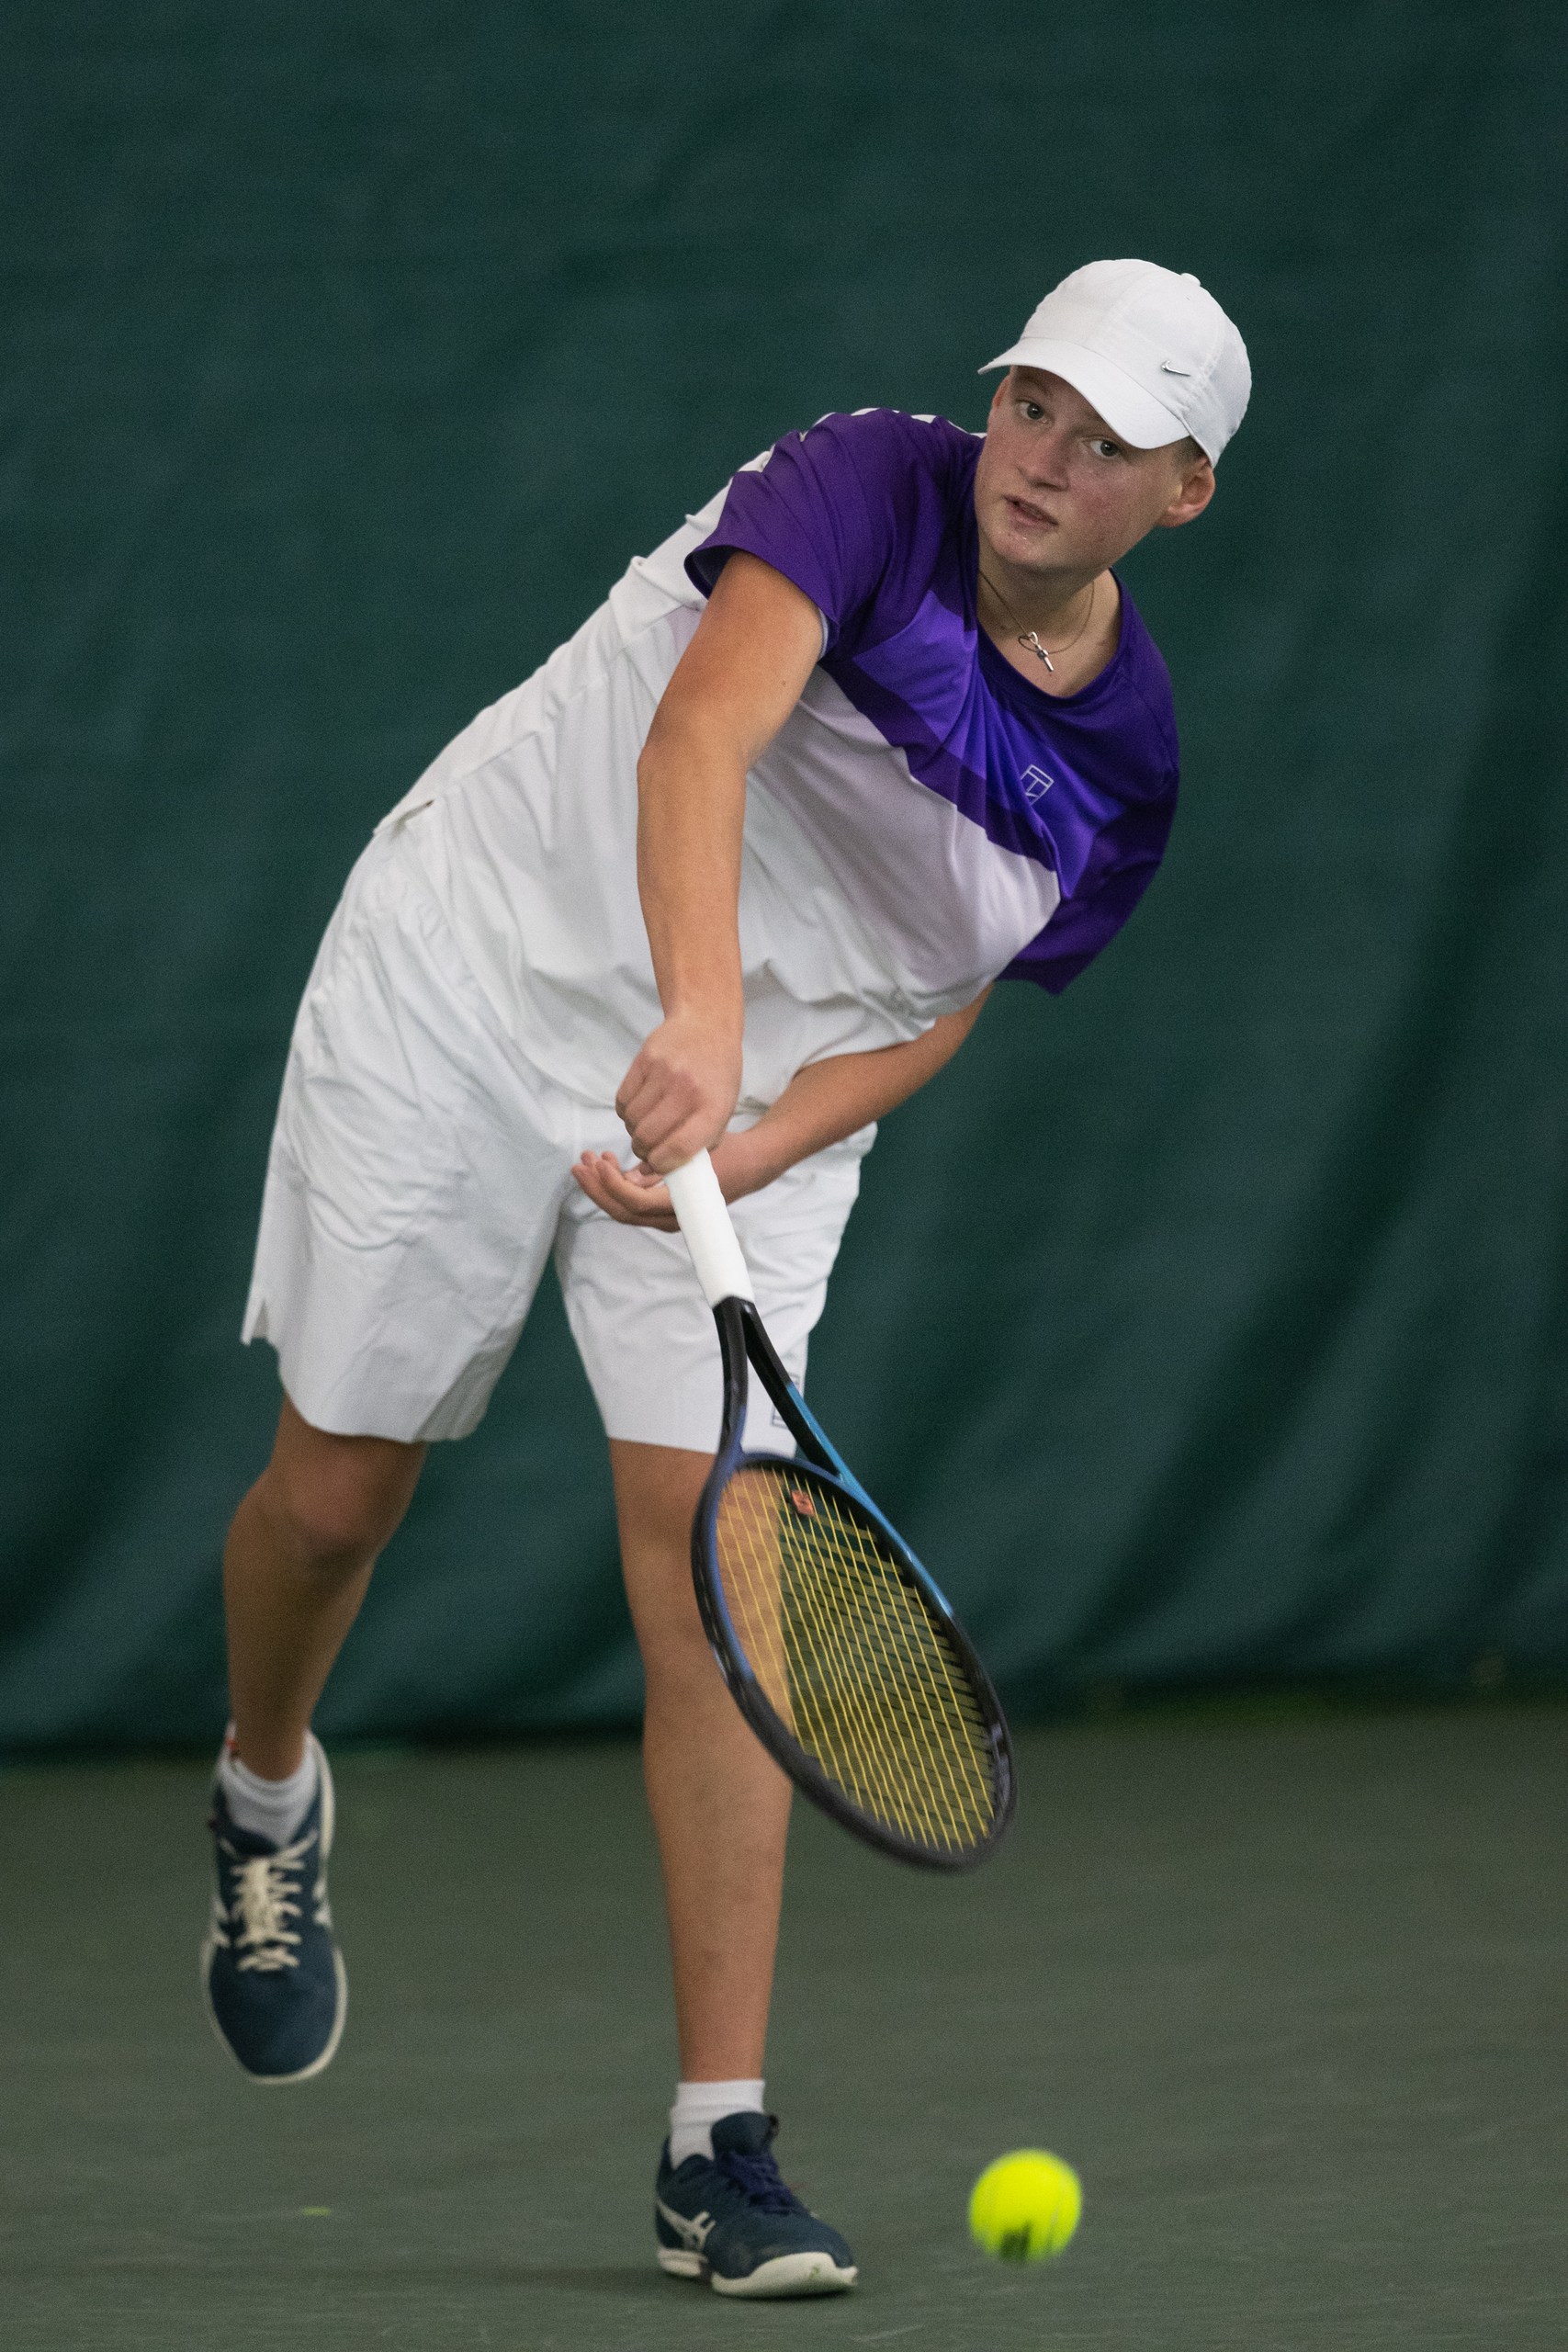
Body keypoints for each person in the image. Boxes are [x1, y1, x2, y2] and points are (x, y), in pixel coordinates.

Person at [200, 257, 1249, 2298]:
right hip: (474, 975)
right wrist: (695, 1012)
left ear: (1181, 490)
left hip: (760, 1105)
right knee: (331, 1497)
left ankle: (718, 2145)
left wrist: (760, 1130)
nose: (1041, 457)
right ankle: (262, 1793)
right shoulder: (863, 487)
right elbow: (697, 740)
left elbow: (942, 1003)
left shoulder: (1122, 770)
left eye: (1104, 440)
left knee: (719, 1574)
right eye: (1031, 402)